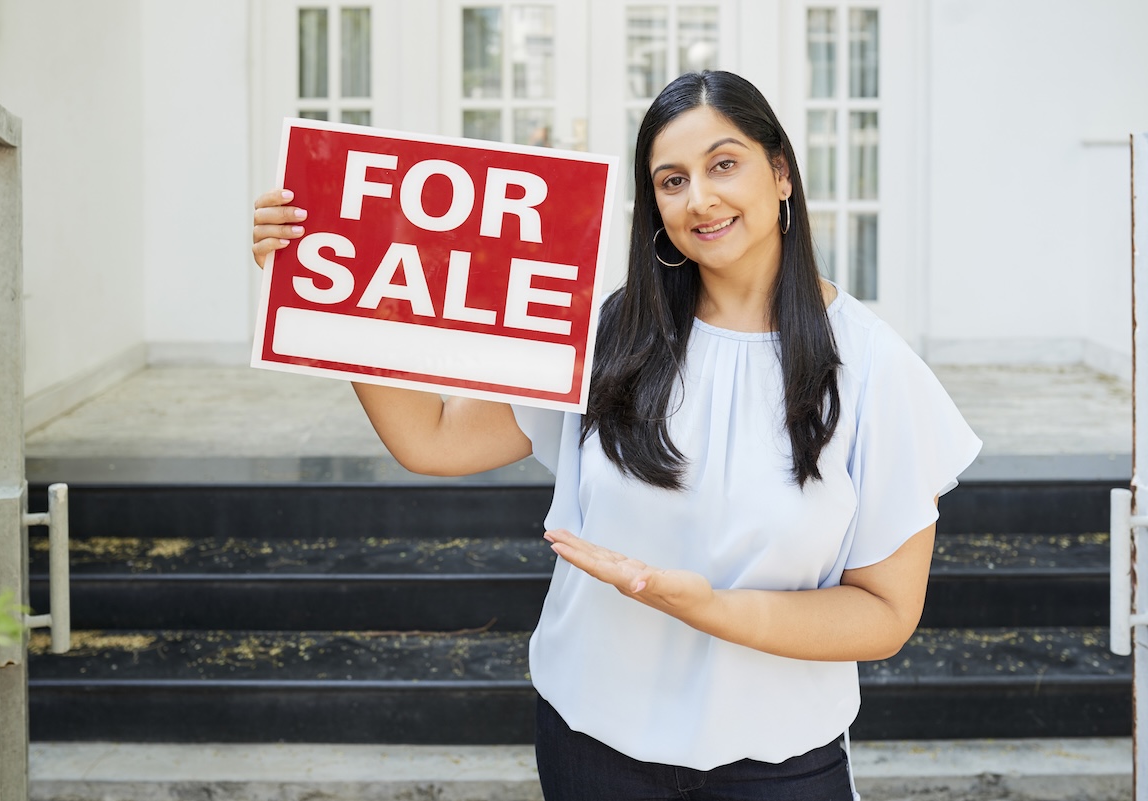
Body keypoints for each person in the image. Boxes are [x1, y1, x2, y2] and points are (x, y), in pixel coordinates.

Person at [252, 70, 981, 801]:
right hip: (591, 751)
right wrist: (327, 287)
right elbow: (433, 439)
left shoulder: (875, 366)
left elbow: (885, 613)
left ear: (781, 172)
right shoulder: (609, 334)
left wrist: (709, 609)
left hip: (780, 765)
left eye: (724, 164)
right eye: (672, 180)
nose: (700, 199)